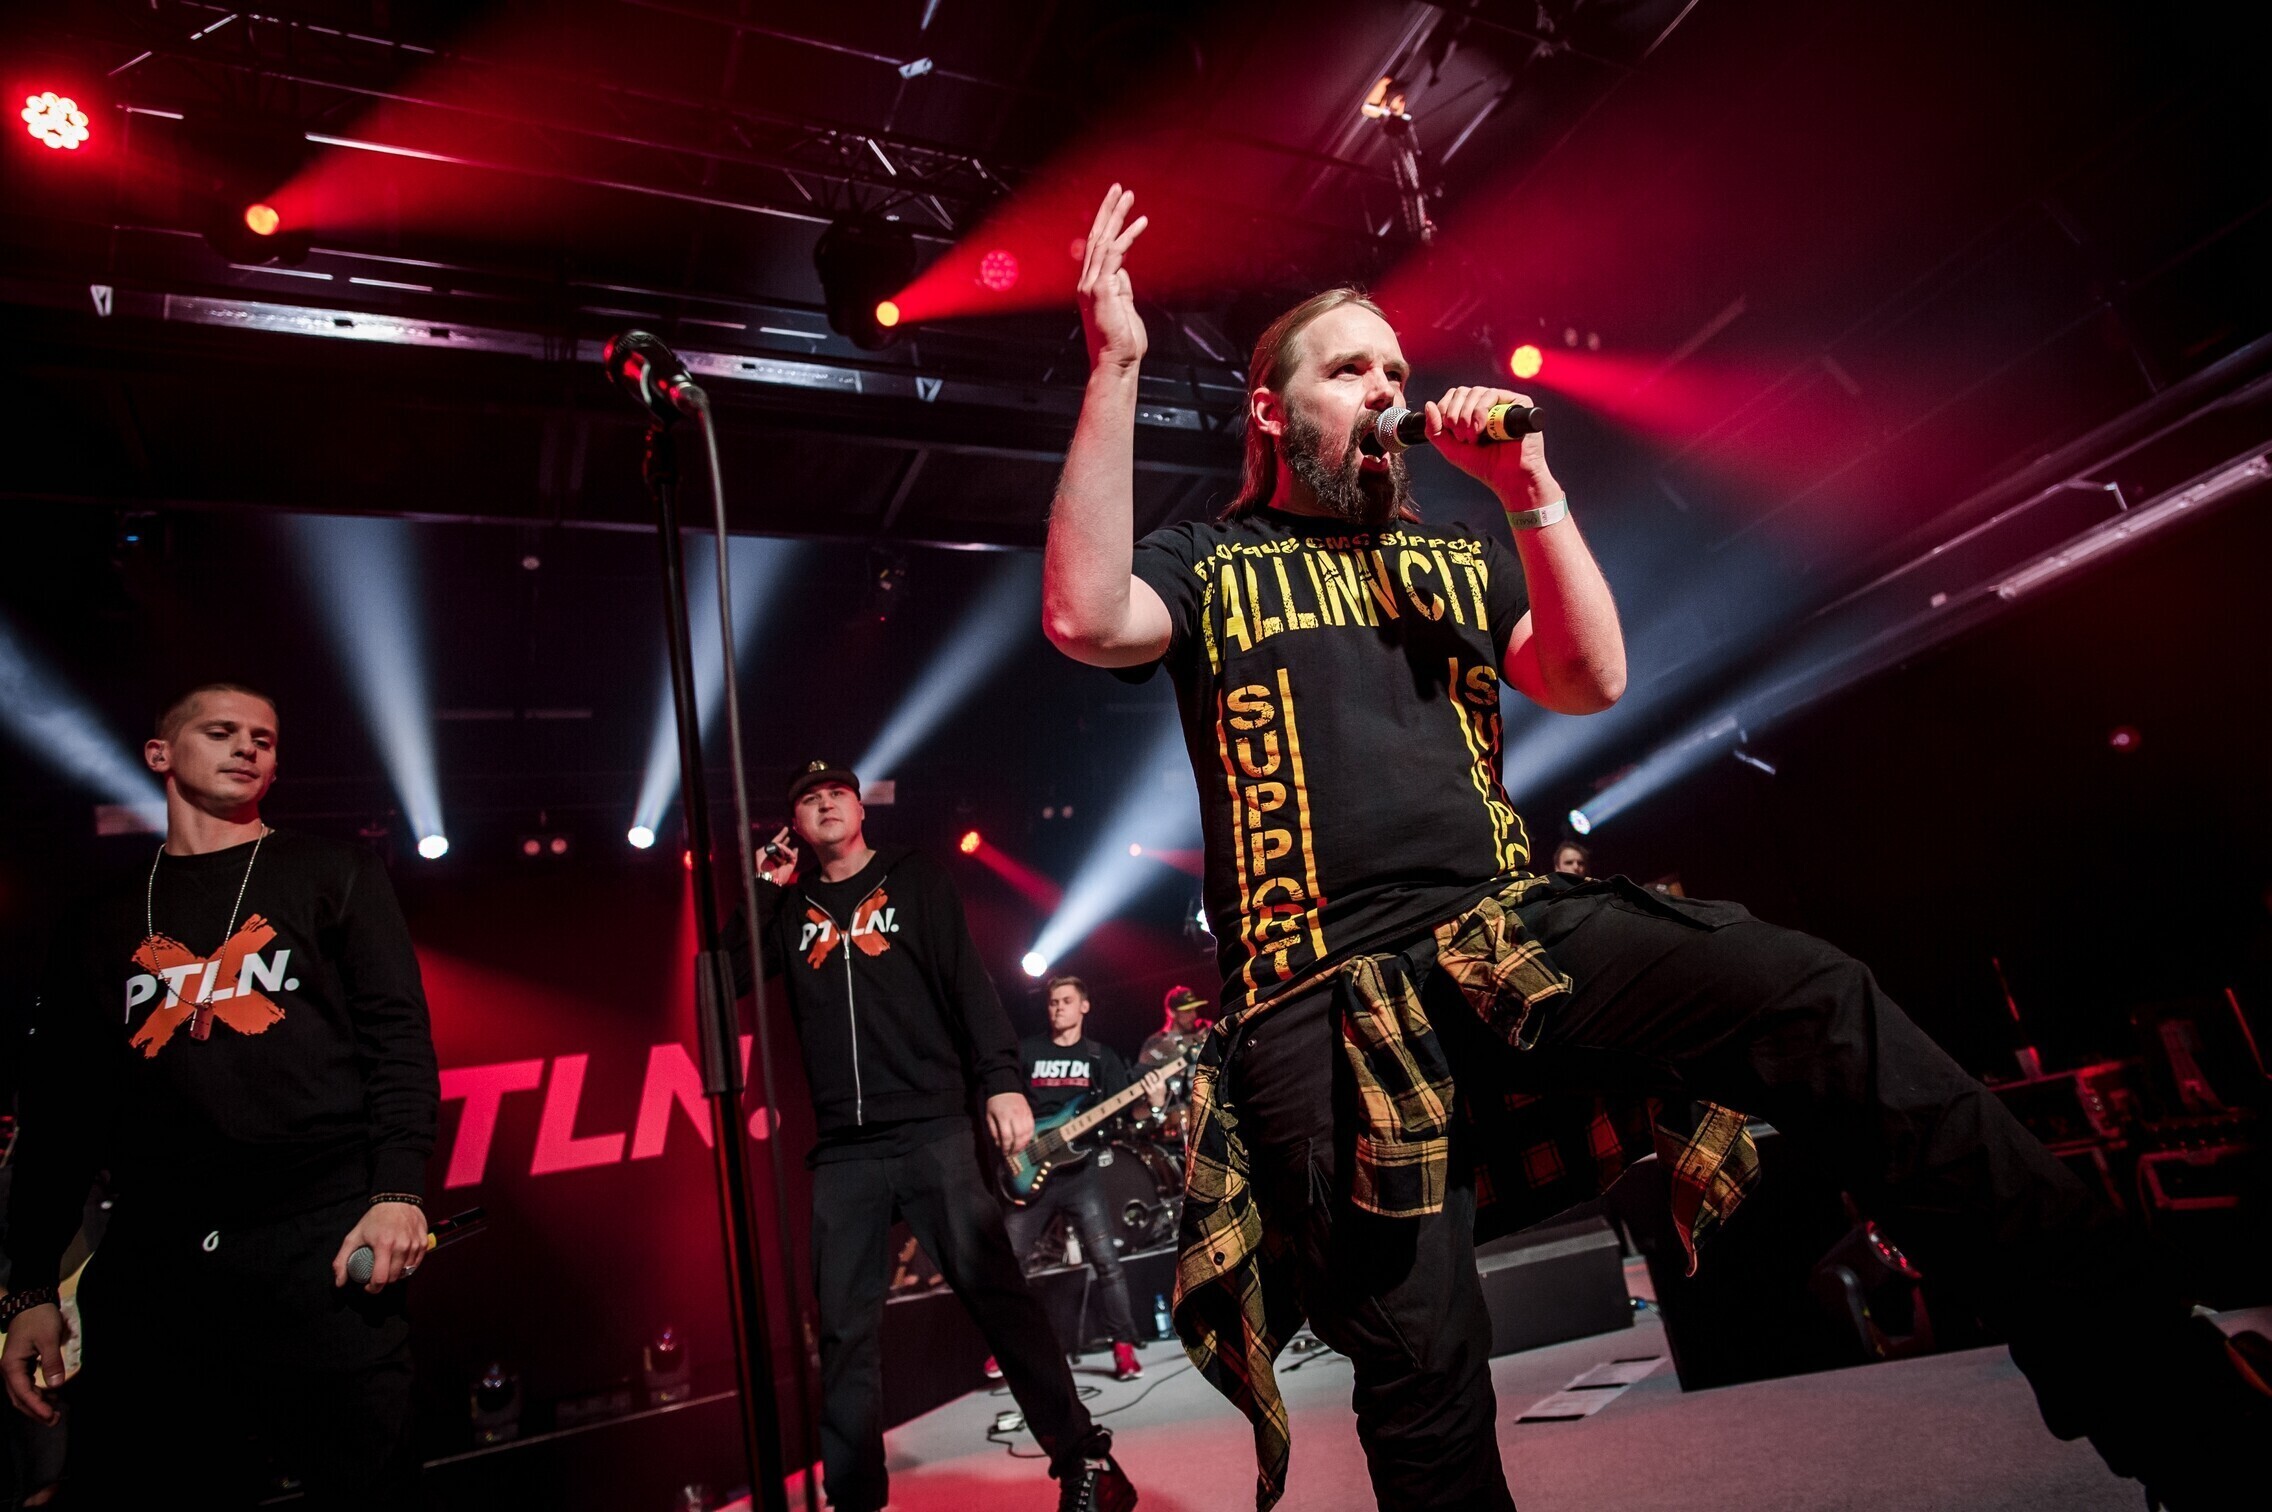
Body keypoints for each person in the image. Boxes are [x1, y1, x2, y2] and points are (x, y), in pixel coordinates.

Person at [1039, 184, 2269, 1511]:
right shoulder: (1212, 558)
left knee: (1815, 997)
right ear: (1273, 415)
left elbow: (1590, 678)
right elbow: (1085, 616)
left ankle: (2184, 1413)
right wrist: (1116, 365)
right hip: (1317, 987)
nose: (1388, 389)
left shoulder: (1450, 557)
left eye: (1395, 368)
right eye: (1348, 371)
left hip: (1501, 931)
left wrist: (1530, 490)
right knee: (1421, 1361)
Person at [1, 683, 439, 1508]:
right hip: (157, 1254)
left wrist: (396, 1192)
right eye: (222, 731)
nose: (247, 748)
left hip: (317, 1241)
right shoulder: (99, 919)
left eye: (264, 739)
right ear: (160, 754)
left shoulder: (332, 872)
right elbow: (60, 1114)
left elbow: (400, 1045)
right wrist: (29, 1288)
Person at [739, 761, 1135, 1512]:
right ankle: (855, 1499)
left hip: (932, 1126)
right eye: (809, 800)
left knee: (998, 1297)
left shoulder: (912, 878)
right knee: (844, 1334)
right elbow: (725, 976)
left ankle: (1087, 1462)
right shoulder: (789, 911)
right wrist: (765, 887)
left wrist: (1002, 1078)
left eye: (836, 794)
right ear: (795, 825)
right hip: (846, 1149)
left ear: (861, 808)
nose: (825, 804)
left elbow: (966, 982)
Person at [1003, 976, 1166, 1382]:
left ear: (1084, 1006)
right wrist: (1009, 1145)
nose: (1057, 1007)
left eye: (1066, 1000)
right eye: (1052, 1002)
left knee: (1107, 1262)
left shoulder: (1099, 1056)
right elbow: (1004, 1104)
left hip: (1080, 1174)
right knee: (1008, 1265)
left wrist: (1154, 1100)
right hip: (1029, 1166)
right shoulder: (1028, 1051)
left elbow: (1127, 1113)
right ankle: (1006, 1350)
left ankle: (1123, 1348)